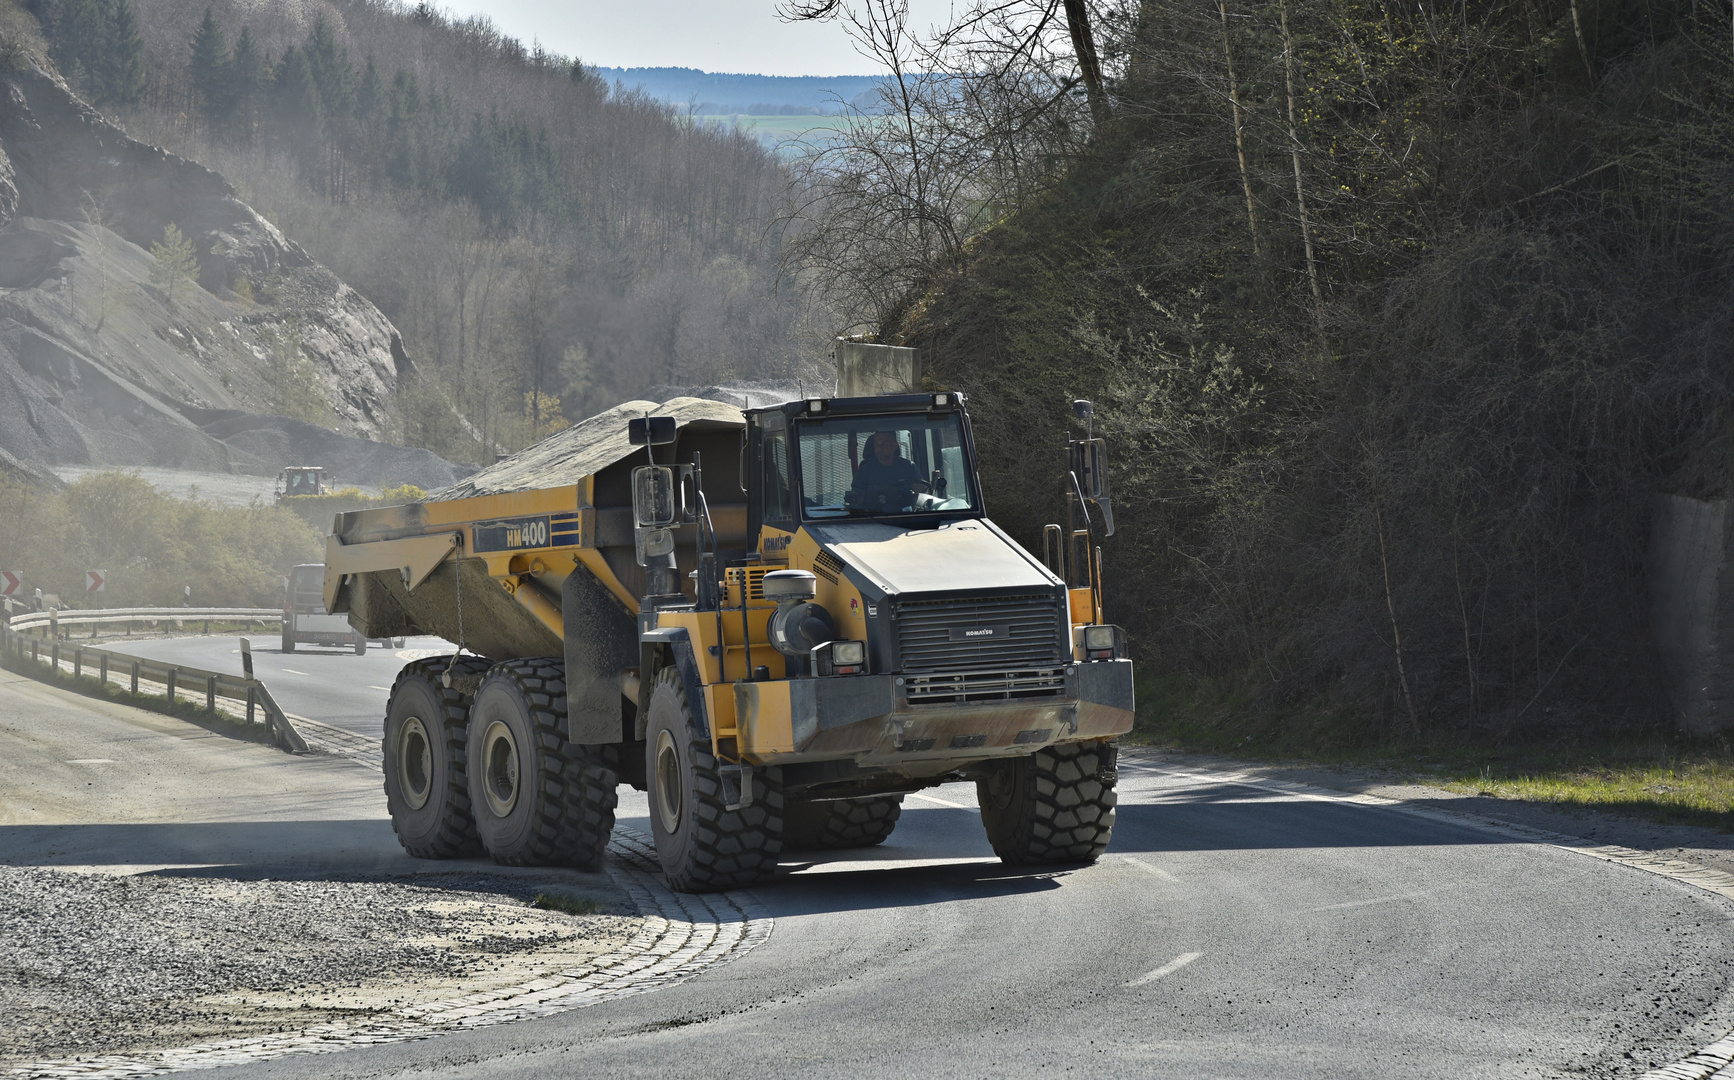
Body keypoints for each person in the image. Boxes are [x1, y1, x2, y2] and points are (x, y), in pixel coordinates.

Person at [849, 431, 928, 510]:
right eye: (876, 444)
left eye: (885, 444)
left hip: (905, 517)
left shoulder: (908, 467)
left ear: (895, 445)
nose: (879, 448)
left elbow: (922, 495)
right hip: (873, 518)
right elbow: (855, 501)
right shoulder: (864, 471)